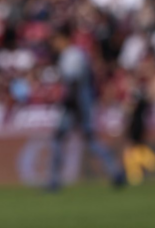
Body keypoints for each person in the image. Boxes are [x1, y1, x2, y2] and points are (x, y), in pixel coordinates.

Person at [48, 26, 125, 191]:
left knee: (68, 139)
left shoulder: (72, 55)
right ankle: (116, 172)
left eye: (55, 40)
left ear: (63, 38)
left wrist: (75, 108)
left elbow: (74, 83)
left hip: (77, 105)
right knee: (86, 140)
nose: (53, 44)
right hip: (79, 104)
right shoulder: (73, 54)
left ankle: (54, 181)